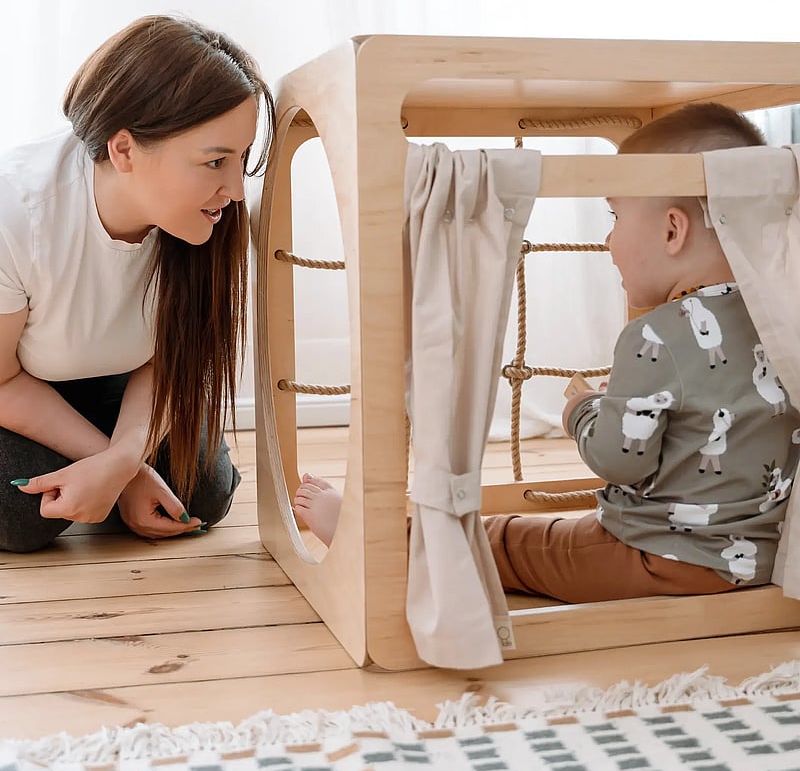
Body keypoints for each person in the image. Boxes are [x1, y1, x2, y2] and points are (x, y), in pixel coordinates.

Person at [294, 102, 799, 602]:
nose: (608, 238)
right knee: (565, 530)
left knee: (508, 541)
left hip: (657, 558)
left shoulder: (656, 335)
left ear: (672, 230)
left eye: (615, 215)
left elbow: (618, 461)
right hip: (761, 556)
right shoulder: (783, 321)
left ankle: (381, 547)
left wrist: (582, 412)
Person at [0, 14, 273, 552]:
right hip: (19, 387)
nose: (236, 190)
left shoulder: (207, 216)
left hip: (118, 378)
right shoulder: (18, 210)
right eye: (216, 160)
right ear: (124, 150)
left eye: (241, 159)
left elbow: (174, 355)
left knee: (204, 494)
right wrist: (119, 468)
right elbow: (2, 380)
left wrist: (123, 461)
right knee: (21, 515)